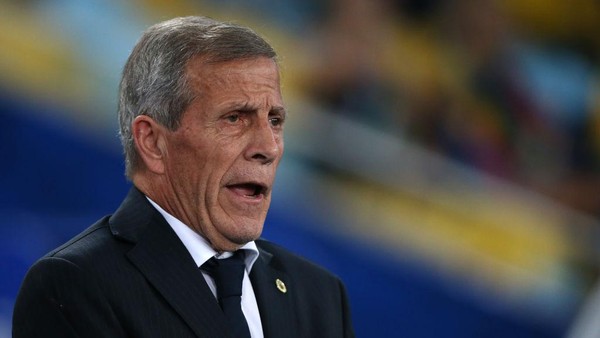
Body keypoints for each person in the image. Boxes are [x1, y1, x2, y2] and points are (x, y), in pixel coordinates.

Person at [13, 16, 354, 338]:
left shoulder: (319, 295)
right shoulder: (77, 283)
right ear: (153, 142)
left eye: (275, 120)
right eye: (235, 118)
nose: (269, 147)